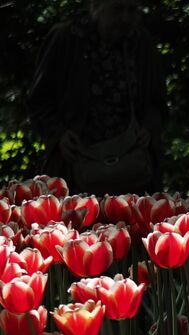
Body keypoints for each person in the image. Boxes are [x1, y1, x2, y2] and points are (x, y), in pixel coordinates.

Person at [27, 0, 166, 195]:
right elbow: (38, 100)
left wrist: (149, 129)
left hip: (132, 172)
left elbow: (157, 102)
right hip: (75, 170)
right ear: (97, 6)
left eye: (133, 10)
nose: (125, 18)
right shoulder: (67, 39)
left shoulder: (140, 43)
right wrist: (59, 135)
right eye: (118, 8)